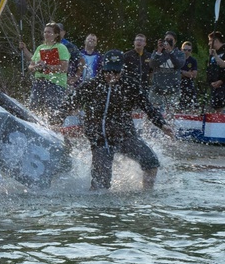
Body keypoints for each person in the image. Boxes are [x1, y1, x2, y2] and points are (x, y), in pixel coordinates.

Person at [60, 49, 175, 190]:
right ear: (103, 69)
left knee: (151, 163)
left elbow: (148, 108)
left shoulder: (130, 86)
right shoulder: (91, 86)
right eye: (108, 71)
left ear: (122, 70)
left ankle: (147, 194)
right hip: (100, 139)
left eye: (115, 72)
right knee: (100, 185)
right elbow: (68, 104)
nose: (111, 76)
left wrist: (162, 125)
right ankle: (94, 208)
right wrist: (55, 121)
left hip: (125, 135)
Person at [25, 22, 69, 120]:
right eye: (45, 32)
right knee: (33, 109)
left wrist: (46, 66)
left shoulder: (61, 47)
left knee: (52, 113)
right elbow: (30, 67)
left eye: (49, 32)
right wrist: (37, 66)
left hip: (55, 84)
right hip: (39, 82)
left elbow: (64, 68)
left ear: (56, 34)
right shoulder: (40, 48)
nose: (46, 34)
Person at [148, 31, 186, 114]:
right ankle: (147, 127)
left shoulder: (180, 53)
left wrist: (170, 52)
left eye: (170, 40)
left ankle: (170, 127)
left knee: (171, 114)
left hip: (173, 89)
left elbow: (178, 65)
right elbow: (152, 64)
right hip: (157, 88)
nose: (168, 41)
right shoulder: (158, 52)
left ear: (175, 41)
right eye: (166, 39)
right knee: (151, 112)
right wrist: (159, 51)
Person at [207, 31, 225, 111]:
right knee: (216, 109)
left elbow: (223, 64)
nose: (209, 43)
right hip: (215, 86)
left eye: (210, 41)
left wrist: (222, 80)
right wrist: (210, 81)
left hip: (224, 86)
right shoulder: (212, 52)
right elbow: (209, 69)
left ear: (215, 41)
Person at [179, 40, 199, 111]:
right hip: (178, 85)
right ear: (181, 50)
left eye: (189, 50)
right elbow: (176, 74)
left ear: (191, 51)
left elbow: (193, 75)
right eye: (184, 50)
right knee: (179, 107)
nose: (186, 52)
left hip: (189, 85)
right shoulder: (178, 60)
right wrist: (187, 73)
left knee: (193, 107)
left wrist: (182, 72)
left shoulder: (193, 61)